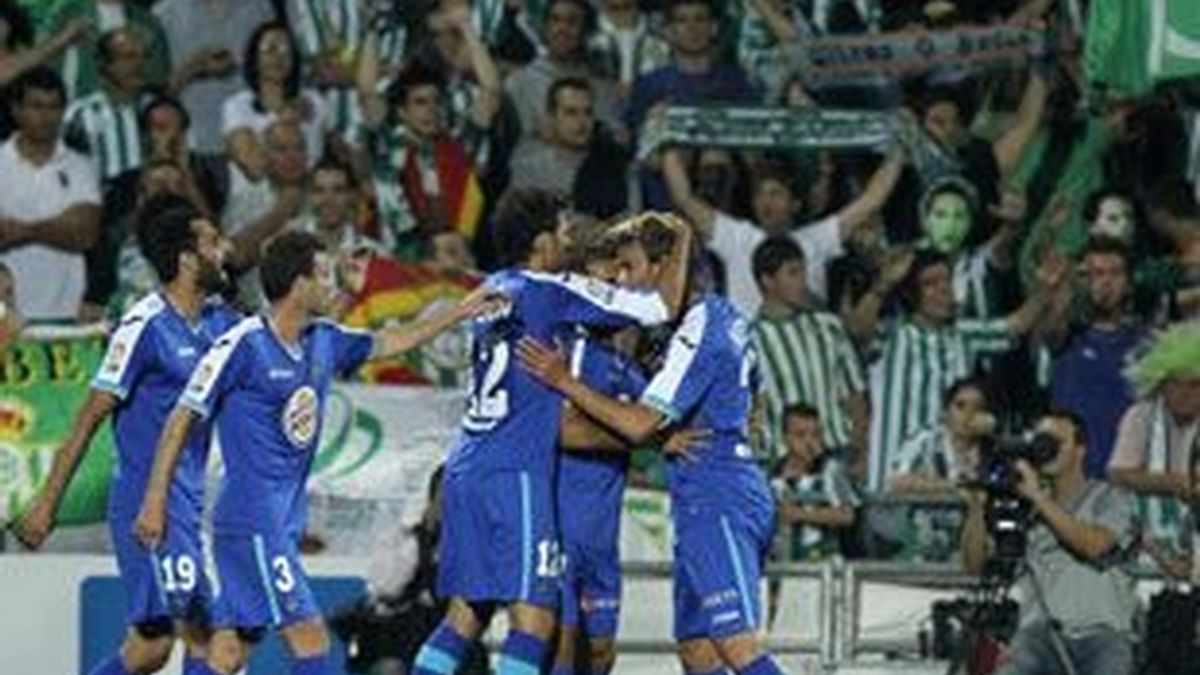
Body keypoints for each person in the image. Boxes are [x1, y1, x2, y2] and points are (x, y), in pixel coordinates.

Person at [130, 230, 497, 675]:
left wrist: (459, 311)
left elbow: (394, 341)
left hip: (277, 523)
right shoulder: (243, 344)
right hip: (252, 521)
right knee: (312, 643)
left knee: (229, 650)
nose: (332, 284)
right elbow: (181, 417)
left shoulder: (325, 339)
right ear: (298, 284)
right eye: (323, 274)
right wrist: (154, 501)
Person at [410, 194, 689, 675]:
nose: (568, 242)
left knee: (465, 615)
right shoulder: (549, 290)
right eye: (561, 232)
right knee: (536, 621)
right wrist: (681, 240)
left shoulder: (493, 288)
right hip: (513, 474)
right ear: (541, 244)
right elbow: (660, 305)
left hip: (467, 465)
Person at [519, 219, 788, 675]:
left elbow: (640, 423)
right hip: (709, 494)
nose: (622, 281)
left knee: (738, 647)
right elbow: (756, 405)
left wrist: (564, 381)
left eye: (630, 267)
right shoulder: (724, 318)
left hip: (716, 498)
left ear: (666, 268)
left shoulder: (699, 329)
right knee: (698, 654)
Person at [14, 197, 239, 675]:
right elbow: (88, 418)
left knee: (150, 649)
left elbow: (278, 340)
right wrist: (46, 503)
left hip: (189, 500)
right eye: (214, 242)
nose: (227, 250)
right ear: (186, 258)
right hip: (147, 503)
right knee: (210, 636)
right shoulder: (143, 326)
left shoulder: (220, 323)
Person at [961, 410, 1139, 675]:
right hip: (1039, 635)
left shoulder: (1111, 498)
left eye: (1056, 442)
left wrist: (1038, 498)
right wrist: (976, 509)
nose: (1046, 449)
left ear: (1080, 450)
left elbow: (1095, 545)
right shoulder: (1025, 504)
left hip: (1103, 635)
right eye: (1041, 441)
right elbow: (976, 565)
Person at [662, 145, 905, 316]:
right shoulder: (737, 236)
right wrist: (665, 139)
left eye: (775, 194)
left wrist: (898, 150)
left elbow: (872, 200)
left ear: (795, 203)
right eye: (760, 194)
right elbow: (684, 198)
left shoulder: (816, 240)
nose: (766, 202)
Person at [749, 236, 867, 469]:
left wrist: (861, 451)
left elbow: (855, 396)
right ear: (767, 281)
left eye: (803, 272)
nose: (803, 282)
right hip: (779, 464)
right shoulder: (747, 342)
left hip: (836, 456)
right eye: (793, 273)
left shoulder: (829, 327)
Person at [0, 66, 101, 322]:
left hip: (65, 313)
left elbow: (85, 234)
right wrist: (59, 227)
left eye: (54, 107)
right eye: (37, 106)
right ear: (16, 110)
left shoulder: (80, 166)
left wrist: (22, 231)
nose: (47, 116)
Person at [1047, 237, 1146, 477]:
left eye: (1115, 273)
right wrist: (1064, 288)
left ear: (1129, 282)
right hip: (1074, 479)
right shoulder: (1065, 337)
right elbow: (1051, 330)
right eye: (1096, 274)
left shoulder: (1147, 343)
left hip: (1128, 478)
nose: (1106, 282)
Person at [1108, 322, 1200, 558]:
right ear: (1159, 384)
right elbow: (1118, 474)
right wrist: (1173, 483)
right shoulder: (1141, 416)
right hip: (1147, 541)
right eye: (1175, 383)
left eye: (1194, 385)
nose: (1184, 393)